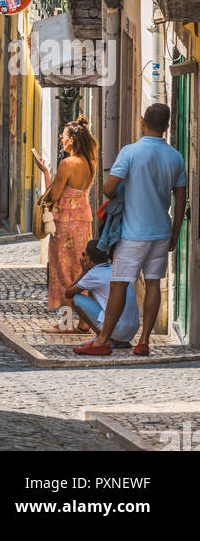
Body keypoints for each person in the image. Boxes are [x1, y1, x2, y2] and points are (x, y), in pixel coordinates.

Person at [74, 103, 187, 358]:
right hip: (161, 231)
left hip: (133, 233)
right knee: (153, 284)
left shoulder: (130, 152)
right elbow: (181, 200)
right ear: (167, 126)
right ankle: (144, 340)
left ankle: (103, 339)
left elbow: (109, 189)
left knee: (118, 285)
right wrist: (175, 233)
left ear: (142, 121)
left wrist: (124, 188)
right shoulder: (175, 157)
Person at [34, 116, 96, 318]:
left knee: (62, 271)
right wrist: (46, 171)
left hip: (65, 224)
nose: (61, 138)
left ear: (71, 140)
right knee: (81, 270)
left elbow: (55, 195)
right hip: (83, 221)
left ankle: (67, 323)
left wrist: (45, 174)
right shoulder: (91, 163)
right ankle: (84, 321)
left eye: (63, 136)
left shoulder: (67, 164)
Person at [64, 240, 139, 345]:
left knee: (76, 299)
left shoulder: (94, 274)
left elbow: (68, 294)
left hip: (118, 329)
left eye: (84, 254)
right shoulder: (116, 270)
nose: (83, 257)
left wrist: (83, 272)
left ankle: (104, 338)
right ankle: (111, 338)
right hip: (131, 331)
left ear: (89, 260)